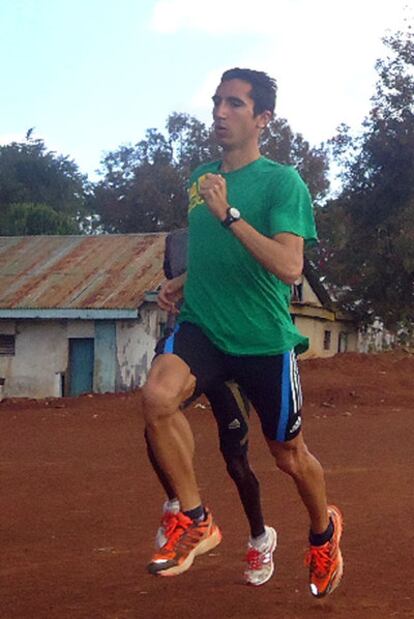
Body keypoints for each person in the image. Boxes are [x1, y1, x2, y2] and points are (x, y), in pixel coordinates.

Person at [142, 67, 343, 598]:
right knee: (157, 397)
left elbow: (289, 266)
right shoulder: (201, 175)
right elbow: (217, 253)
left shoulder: (282, 183)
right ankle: (196, 517)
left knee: (289, 456)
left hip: (262, 341)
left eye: (234, 104)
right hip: (204, 327)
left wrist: (228, 212)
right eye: (216, 102)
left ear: (263, 119)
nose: (220, 113)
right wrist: (185, 280)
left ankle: (323, 534)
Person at [145, 228, 276, 586]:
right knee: (156, 418)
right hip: (189, 348)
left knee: (236, 459)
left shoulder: (236, 230)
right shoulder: (176, 240)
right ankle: (181, 509)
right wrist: (169, 292)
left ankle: (259, 538)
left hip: (229, 353)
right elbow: (176, 283)